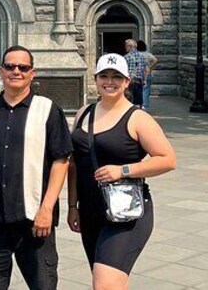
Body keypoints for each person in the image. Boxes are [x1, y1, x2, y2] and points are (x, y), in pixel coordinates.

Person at [0, 46, 72, 290]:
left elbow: (61, 161)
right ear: (1, 71)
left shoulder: (47, 110)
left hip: (34, 222)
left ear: (32, 73)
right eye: (10, 66)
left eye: (23, 67)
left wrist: (47, 209)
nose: (16, 71)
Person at [67, 54, 176, 290]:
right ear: (95, 79)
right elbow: (75, 163)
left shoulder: (137, 118)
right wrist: (72, 206)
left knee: (105, 284)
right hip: (90, 210)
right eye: (104, 76)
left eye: (117, 77)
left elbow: (167, 159)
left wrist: (123, 170)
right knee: (111, 282)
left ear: (127, 81)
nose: (110, 81)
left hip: (126, 212)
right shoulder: (84, 113)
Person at [123, 39, 146, 107]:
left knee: (129, 98)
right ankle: (138, 112)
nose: (125, 48)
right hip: (139, 81)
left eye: (126, 46)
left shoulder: (126, 57)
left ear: (129, 46)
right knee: (139, 99)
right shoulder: (142, 56)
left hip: (130, 81)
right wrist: (144, 80)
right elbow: (145, 69)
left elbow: (124, 70)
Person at [136, 40, 158, 111]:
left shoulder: (136, 54)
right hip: (147, 73)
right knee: (146, 89)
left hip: (138, 73)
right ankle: (144, 105)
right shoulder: (148, 54)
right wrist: (150, 67)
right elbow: (155, 60)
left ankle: (137, 104)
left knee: (137, 89)